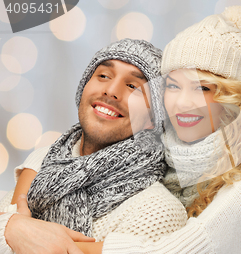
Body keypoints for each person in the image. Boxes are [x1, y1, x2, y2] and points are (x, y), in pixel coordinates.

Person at [2, 6, 241, 254]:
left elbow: (172, 251)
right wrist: (16, 220)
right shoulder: (161, 151)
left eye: (203, 88)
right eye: (174, 86)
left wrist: (25, 233)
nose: (182, 103)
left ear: (234, 101)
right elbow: (95, 151)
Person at [0, 39, 187, 254]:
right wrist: (12, 227)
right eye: (104, 76)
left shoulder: (158, 212)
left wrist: (13, 228)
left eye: (133, 87)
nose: (111, 90)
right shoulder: (44, 160)